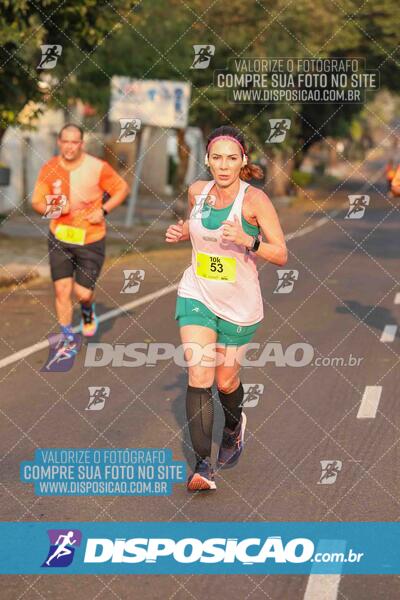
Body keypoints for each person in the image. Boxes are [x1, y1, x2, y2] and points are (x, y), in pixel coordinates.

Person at [165, 125, 287, 492]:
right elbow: (199, 225)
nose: (223, 165)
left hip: (240, 304)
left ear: (242, 161)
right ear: (207, 160)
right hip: (197, 293)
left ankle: (233, 426)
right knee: (199, 375)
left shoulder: (255, 202)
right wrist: (183, 231)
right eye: (216, 158)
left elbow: (280, 253)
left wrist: (248, 239)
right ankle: (203, 465)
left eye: (231, 158)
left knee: (225, 381)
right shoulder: (197, 192)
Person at [32, 123, 129, 345]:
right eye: (65, 141)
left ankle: (87, 309)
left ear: (81, 144)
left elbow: (122, 188)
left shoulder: (97, 167)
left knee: (83, 293)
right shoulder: (49, 168)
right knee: (61, 290)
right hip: (60, 237)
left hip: (91, 239)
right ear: (59, 142)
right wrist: (56, 209)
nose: (69, 147)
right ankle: (67, 337)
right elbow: (37, 202)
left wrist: (103, 210)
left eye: (74, 142)